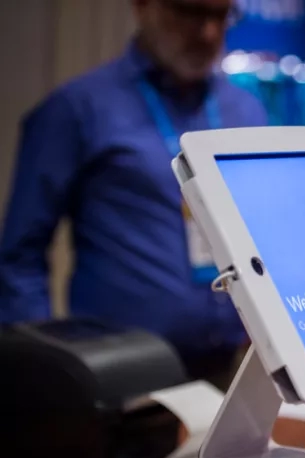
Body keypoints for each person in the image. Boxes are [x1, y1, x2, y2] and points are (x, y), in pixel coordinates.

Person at [0, 0, 267, 379]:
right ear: (142, 7)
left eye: (219, 16)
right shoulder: (77, 108)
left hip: (233, 367)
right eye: (189, 12)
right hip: (122, 373)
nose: (207, 32)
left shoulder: (246, 111)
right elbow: (19, 257)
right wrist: (41, 370)